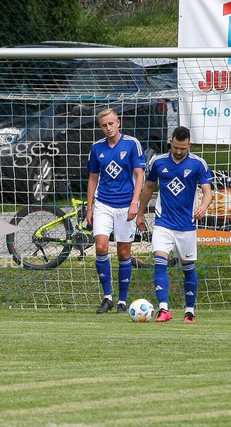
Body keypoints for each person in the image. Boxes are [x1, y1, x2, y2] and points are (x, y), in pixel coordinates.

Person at [137, 126, 213, 323]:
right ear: (170, 142)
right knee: (159, 262)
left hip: (186, 225)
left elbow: (208, 191)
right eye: (176, 147)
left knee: (188, 268)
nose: (179, 151)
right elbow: (149, 187)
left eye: (183, 148)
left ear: (189, 145)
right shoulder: (158, 161)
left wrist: (203, 206)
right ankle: (164, 309)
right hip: (163, 222)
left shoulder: (198, 164)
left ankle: (189, 311)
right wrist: (140, 213)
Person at [86, 108, 146, 314]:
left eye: (111, 123)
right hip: (103, 203)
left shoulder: (132, 144)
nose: (108, 128)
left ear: (118, 122)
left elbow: (140, 175)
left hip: (126, 204)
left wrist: (134, 203)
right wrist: (90, 207)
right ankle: (107, 297)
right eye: (104, 125)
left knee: (124, 253)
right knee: (101, 247)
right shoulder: (97, 148)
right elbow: (93, 178)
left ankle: (122, 301)